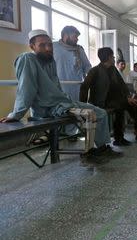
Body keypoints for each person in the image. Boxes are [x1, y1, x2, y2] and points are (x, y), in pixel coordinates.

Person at [0, 29, 113, 161]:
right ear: (32, 46)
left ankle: (102, 147)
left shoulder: (50, 61)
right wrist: (16, 114)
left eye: (49, 44)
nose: (48, 48)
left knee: (101, 112)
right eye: (42, 45)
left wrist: (66, 99)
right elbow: (26, 89)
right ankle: (90, 152)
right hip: (47, 108)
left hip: (62, 103)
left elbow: (56, 87)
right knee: (91, 114)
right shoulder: (27, 59)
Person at [80, 47, 137, 145]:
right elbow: (84, 87)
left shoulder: (113, 70)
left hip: (115, 100)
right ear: (108, 57)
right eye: (113, 56)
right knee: (120, 107)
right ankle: (118, 138)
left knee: (136, 104)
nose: (114, 58)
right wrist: (83, 106)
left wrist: (129, 97)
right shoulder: (94, 71)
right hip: (101, 101)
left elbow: (122, 85)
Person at [52, 26, 91, 101]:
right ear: (66, 35)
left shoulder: (79, 49)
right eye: (74, 36)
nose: (77, 39)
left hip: (77, 88)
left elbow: (87, 67)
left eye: (77, 37)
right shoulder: (53, 47)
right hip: (58, 87)